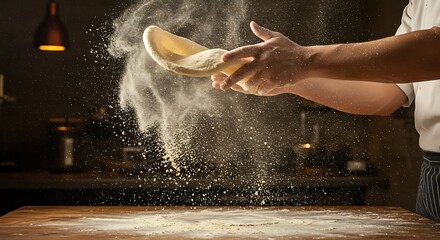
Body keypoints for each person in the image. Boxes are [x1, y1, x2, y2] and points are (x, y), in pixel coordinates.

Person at [211, 0, 440, 222]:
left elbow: (435, 52)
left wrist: (305, 60)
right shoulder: (419, 3)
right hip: (433, 173)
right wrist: (288, 79)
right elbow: (387, 92)